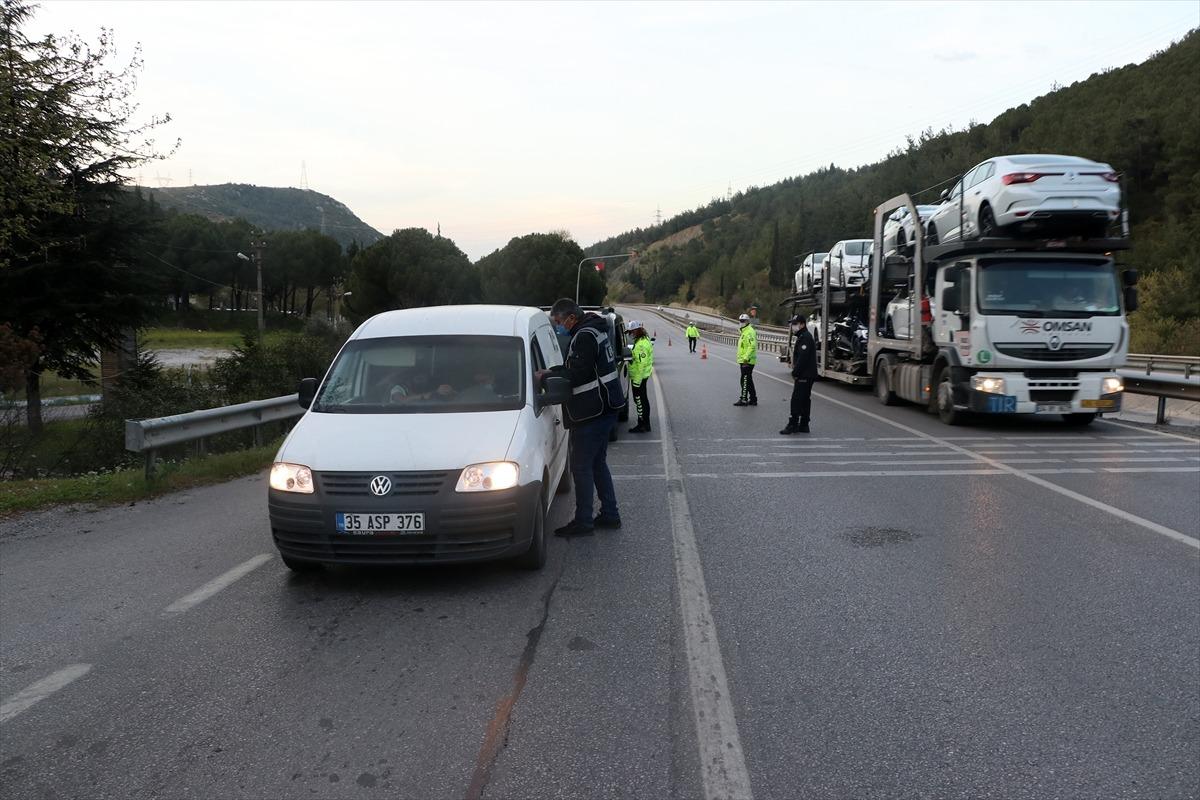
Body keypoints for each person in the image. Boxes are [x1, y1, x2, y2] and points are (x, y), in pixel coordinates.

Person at [540, 298, 627, 537]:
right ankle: (610, 515)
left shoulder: (584, 336)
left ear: (570, 317)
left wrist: (548, 378)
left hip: (592, 412)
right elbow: (583, 368)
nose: (559, 326)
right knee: (597, 464)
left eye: (559, 321)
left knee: (581, 467)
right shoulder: (596, 329)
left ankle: (584, 521)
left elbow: (577, 375)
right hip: (606, 408)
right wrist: (553, 371)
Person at [781, 313, 817, 434]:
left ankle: (793, 424)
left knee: (796, 399)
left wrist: (795, 372)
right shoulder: (803, 336)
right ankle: (804, 424)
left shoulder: (805, 337)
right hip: (808, 374)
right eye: (792, 324)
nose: (793, 326)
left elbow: (803, 358)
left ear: (802, 324)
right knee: (805, 399)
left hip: (804, 375)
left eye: (795, 324)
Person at [626, 320, 654, 433]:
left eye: (631, 332)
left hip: (639, 377)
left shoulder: (641, 345)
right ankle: (646, 424)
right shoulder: (643, 340)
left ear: (636, 330)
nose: (630, 334)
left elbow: (641, 364)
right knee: (643, 400)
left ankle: (642, 424)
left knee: (639, 401)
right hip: (642, 376)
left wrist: (637, 380)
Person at [733, 313, 757, 407]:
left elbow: (752, 346)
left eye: (743, 321)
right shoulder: (744, 331)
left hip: (747, 361)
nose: (741, 322)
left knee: (744, 380)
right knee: (749, 380)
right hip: (744, 360)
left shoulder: (750, 331)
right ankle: (753, 399)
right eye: (740, 321)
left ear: (747, 321)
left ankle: (743, 399)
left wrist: (746, 358)